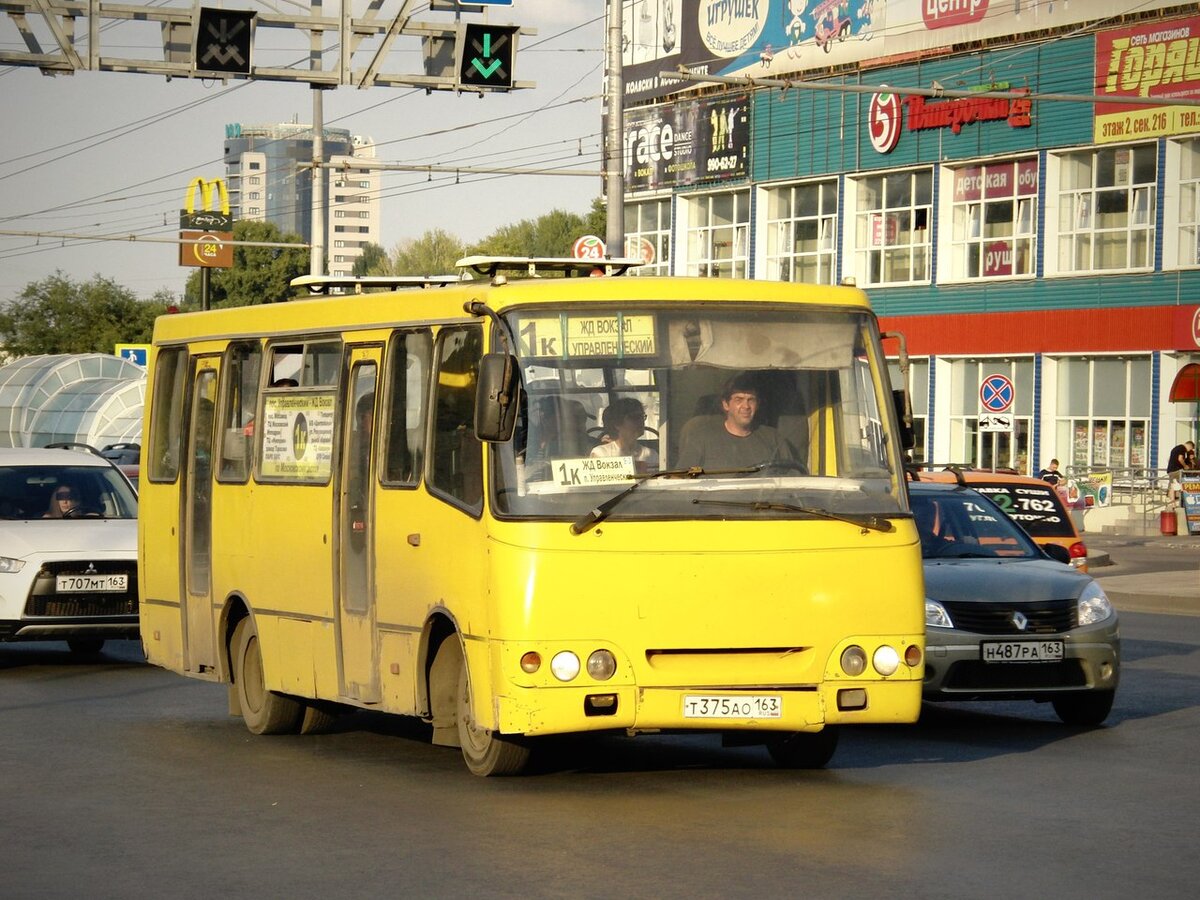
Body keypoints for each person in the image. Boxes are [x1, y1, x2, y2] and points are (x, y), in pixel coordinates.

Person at [676, 373, 794, 469]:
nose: (746, 406)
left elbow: (792, 479)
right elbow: (682, 482)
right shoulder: (701, 439)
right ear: (726, 404)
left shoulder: (773, 438)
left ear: (757, 405)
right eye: (739, 400)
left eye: (751, 400)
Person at [590, 397, 659, 474]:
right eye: (634, 417)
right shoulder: (601, 454)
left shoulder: (651, 455)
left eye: (642, 416)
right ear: (617, 423)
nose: (641, 421)